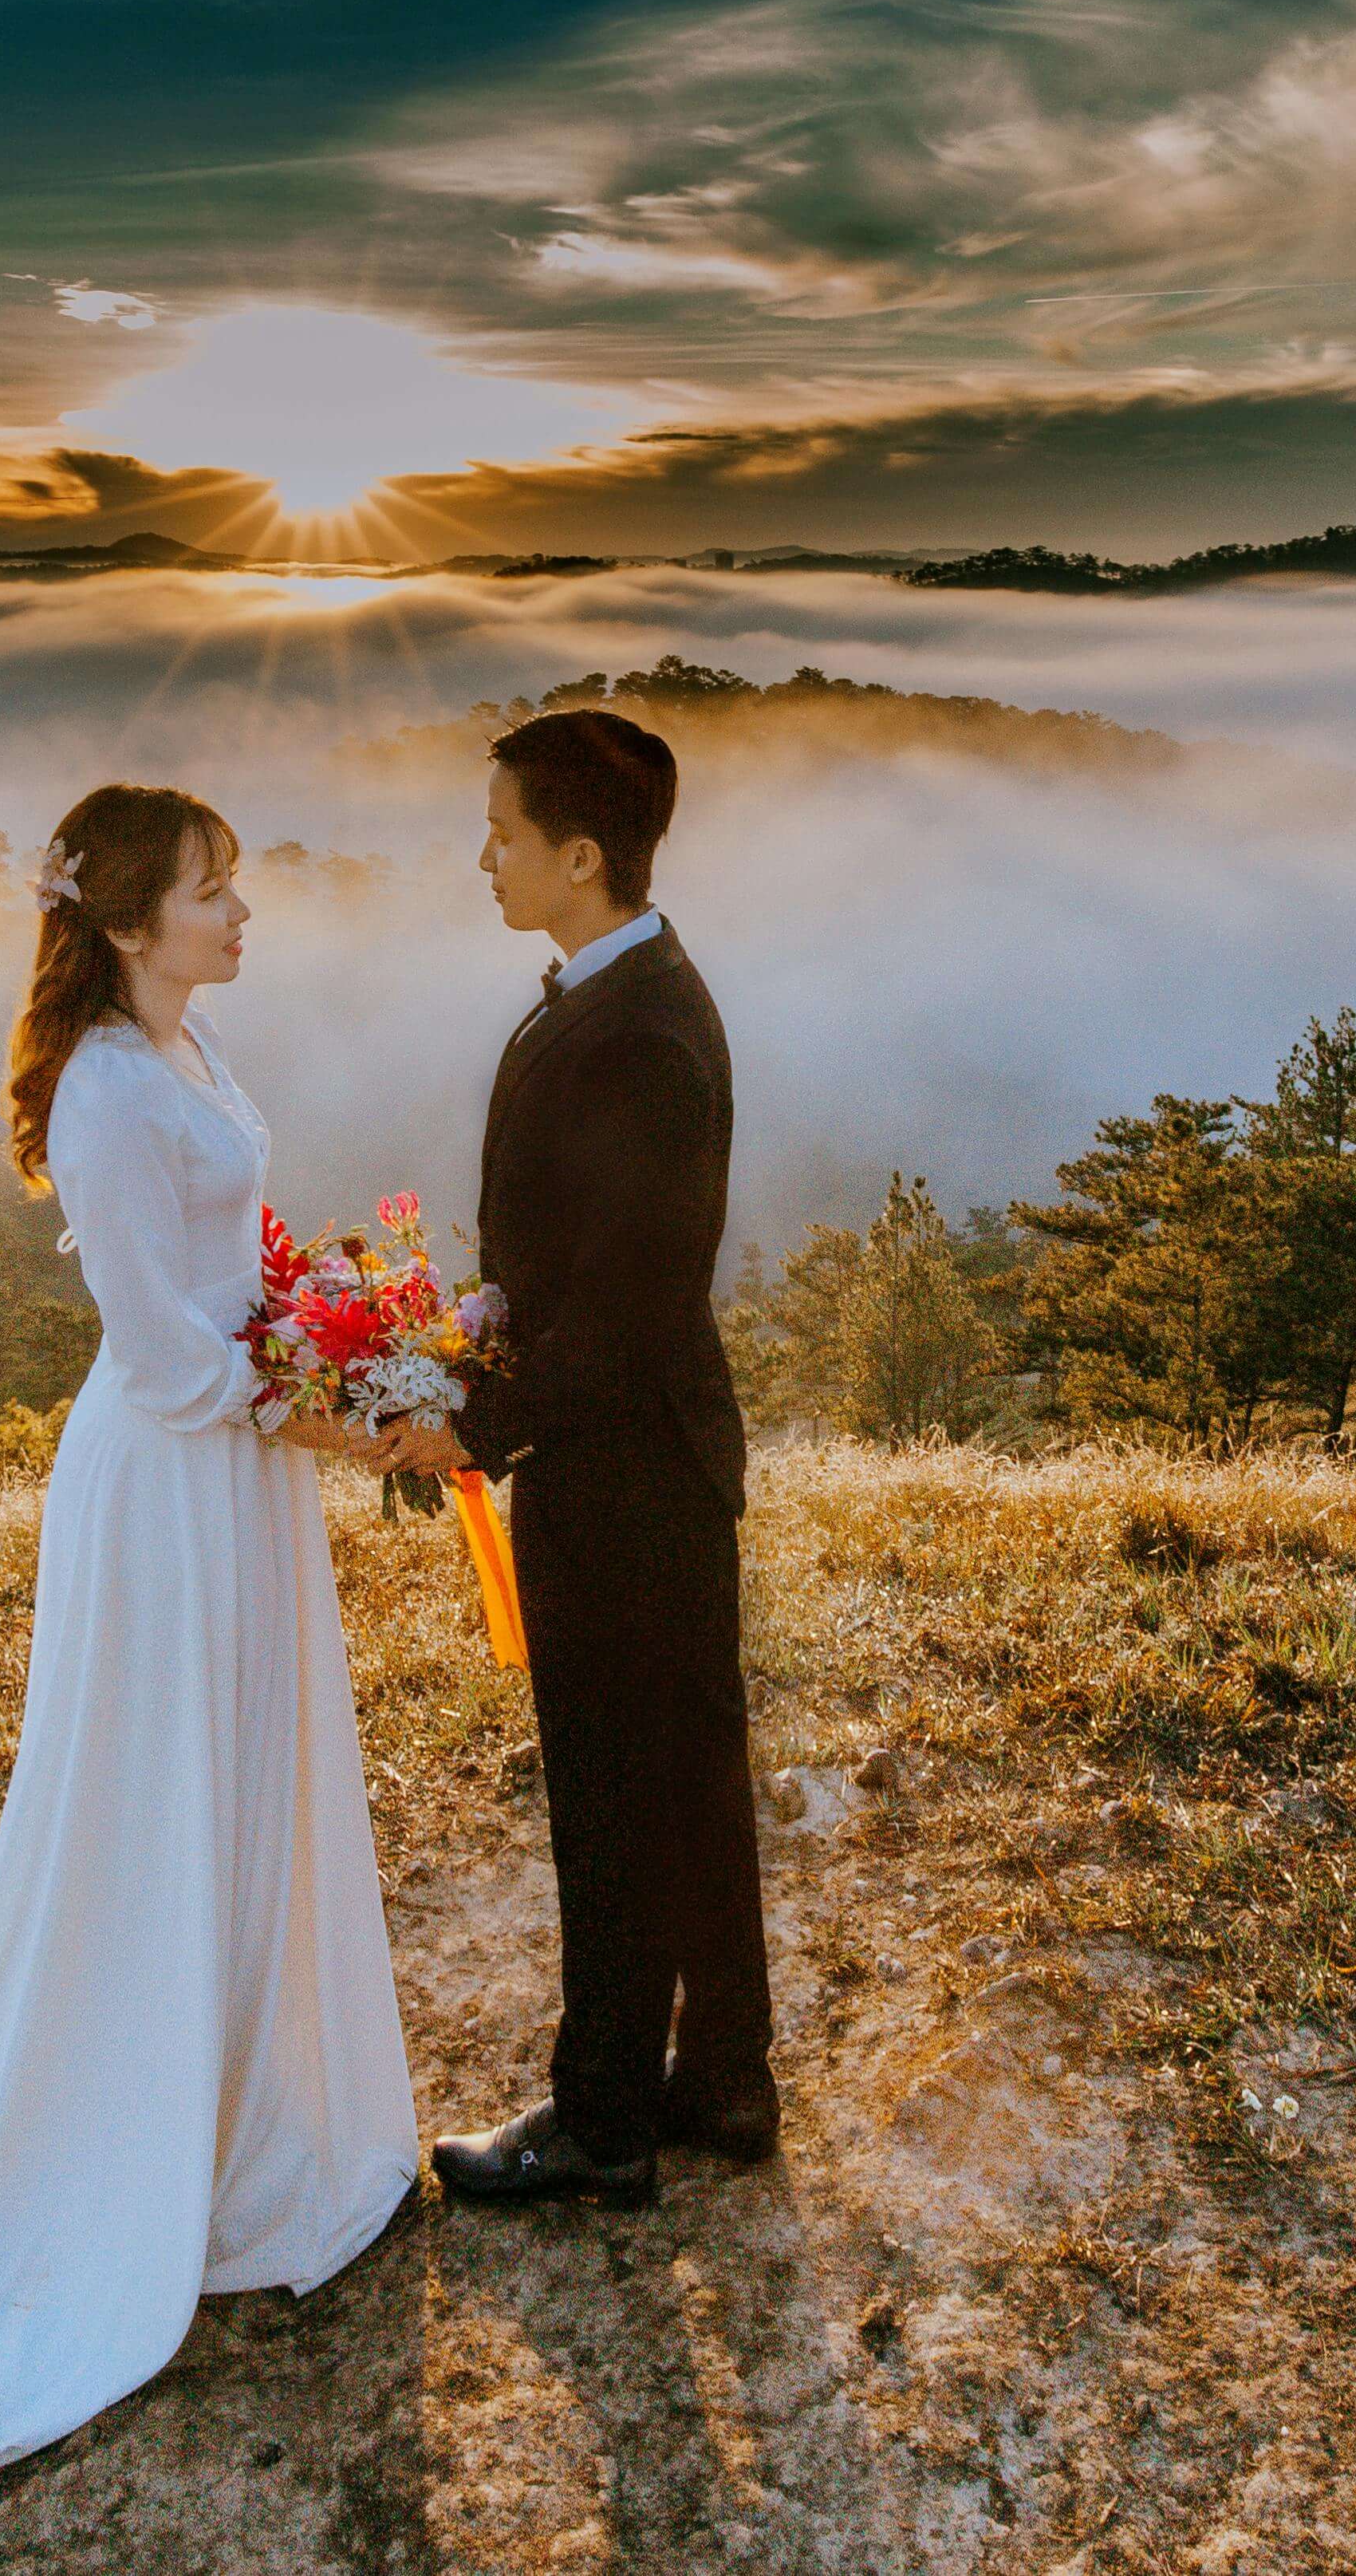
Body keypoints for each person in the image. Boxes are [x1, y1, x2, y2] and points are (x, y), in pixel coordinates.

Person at [0, 784, 415, 2470]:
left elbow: (238, 1280)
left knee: (249, 1766)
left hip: (244, 1467)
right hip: (175, 1475)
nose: (242, 912)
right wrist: (338, 1416)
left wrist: (333, 1330)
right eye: (214, 891)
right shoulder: (106, 1088)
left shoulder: (184, 1052)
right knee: (155, 1793)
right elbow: (158, 1339)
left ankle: (249, 2116)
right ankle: (123, 2143)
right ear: (131, 922)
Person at [378, 707, 773, 2207]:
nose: (483, 857)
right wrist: (462, 1344)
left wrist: (475, 1416)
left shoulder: (644, 1035)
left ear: (582, 856)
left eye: (503, 834)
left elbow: (632, 1297)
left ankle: (605, 2119)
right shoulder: (614, 993)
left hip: (625, 1467)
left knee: (614, 1791)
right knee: (687, 1774)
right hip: (636, 1449)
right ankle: (726, 2083)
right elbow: (564, 1267)